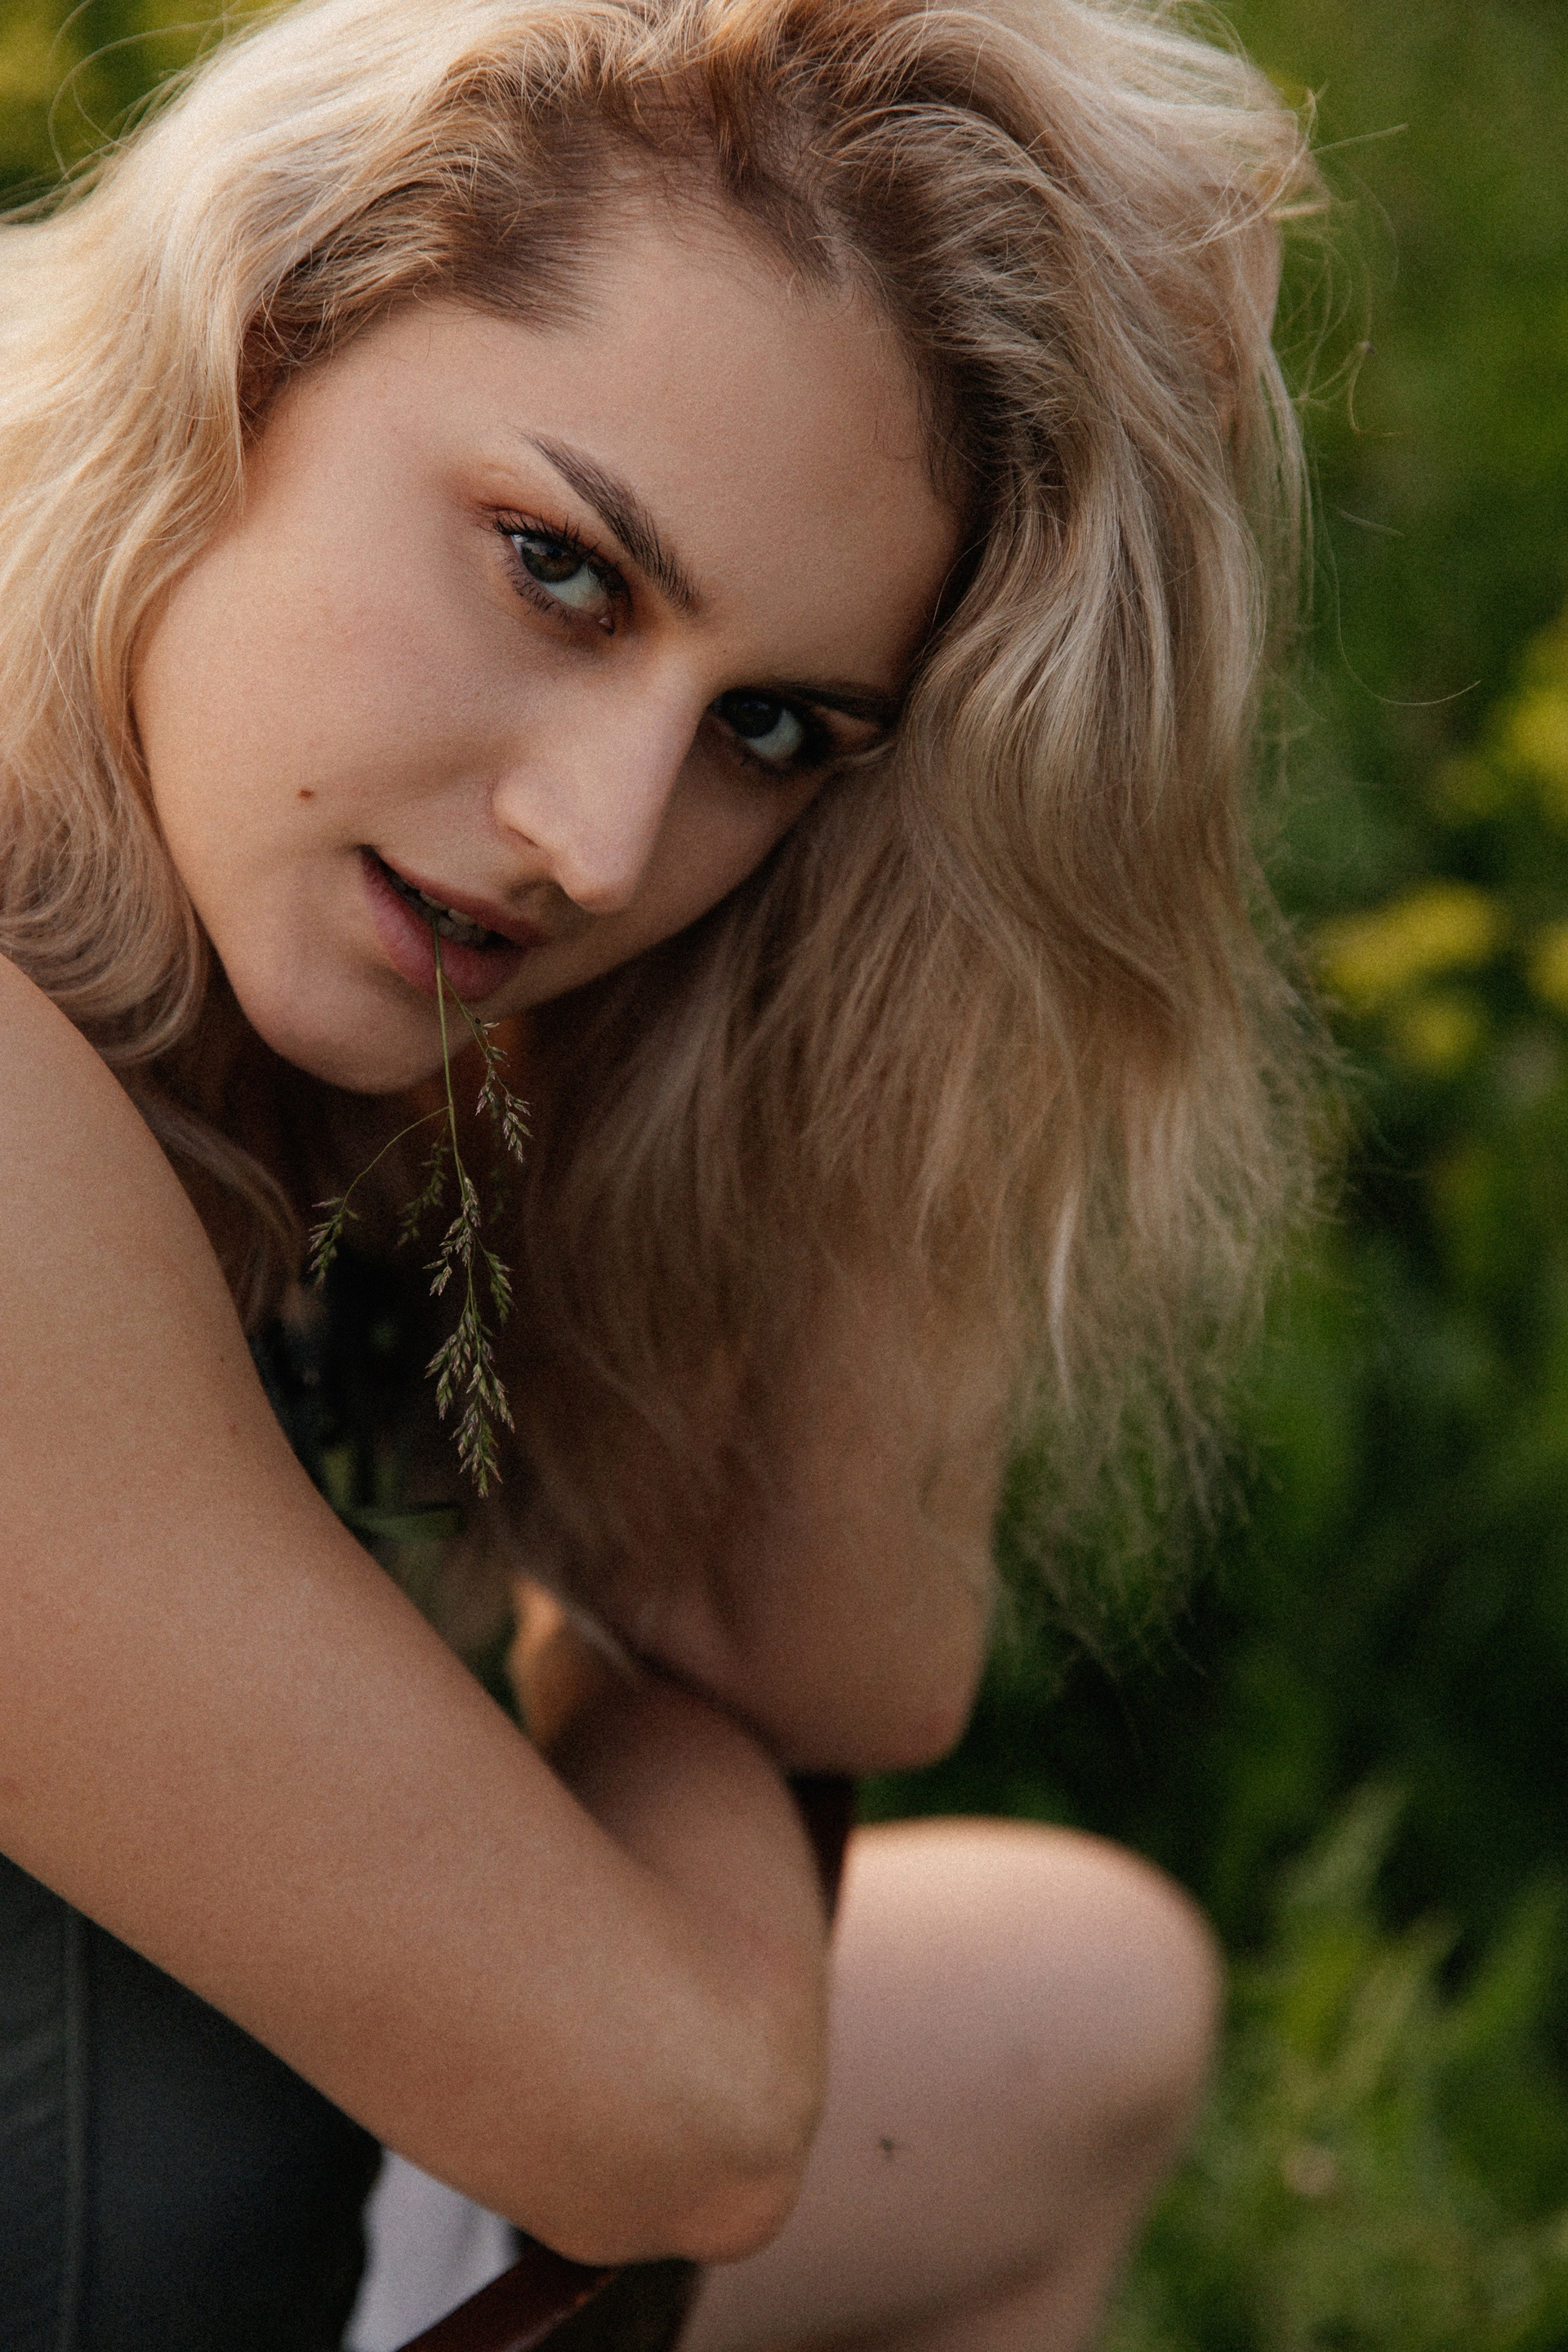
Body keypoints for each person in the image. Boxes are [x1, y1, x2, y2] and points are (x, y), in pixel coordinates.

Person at [0, 0, 1319, 2345]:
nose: (603, 846)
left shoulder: (262, 954)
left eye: (774, 728)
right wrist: (629, 1686)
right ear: (257, 335)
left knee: (1072, 2015)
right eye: (561, 568)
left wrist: (922, 903)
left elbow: (839, 1650)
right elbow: (673, 2117)